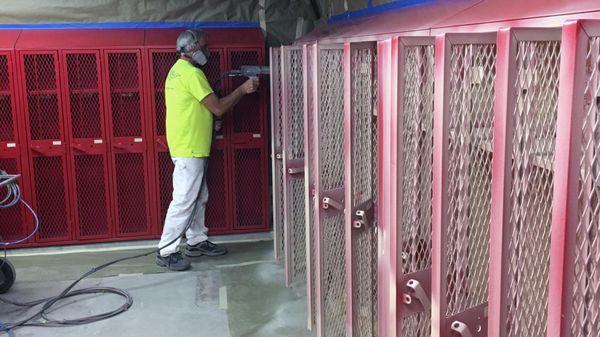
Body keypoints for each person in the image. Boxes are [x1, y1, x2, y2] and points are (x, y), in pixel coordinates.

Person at [156, 29, 259, 271]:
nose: (207, 51)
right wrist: (242, 90)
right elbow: (218, 107)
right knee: (183, 200)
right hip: (189, 147)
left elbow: (198, 108)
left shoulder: (176, 72)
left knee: (199, 197)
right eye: (204, 46)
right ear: (191, 49)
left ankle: (196, 240)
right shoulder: (192, 74)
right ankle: (166, 250)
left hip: (191, 145)